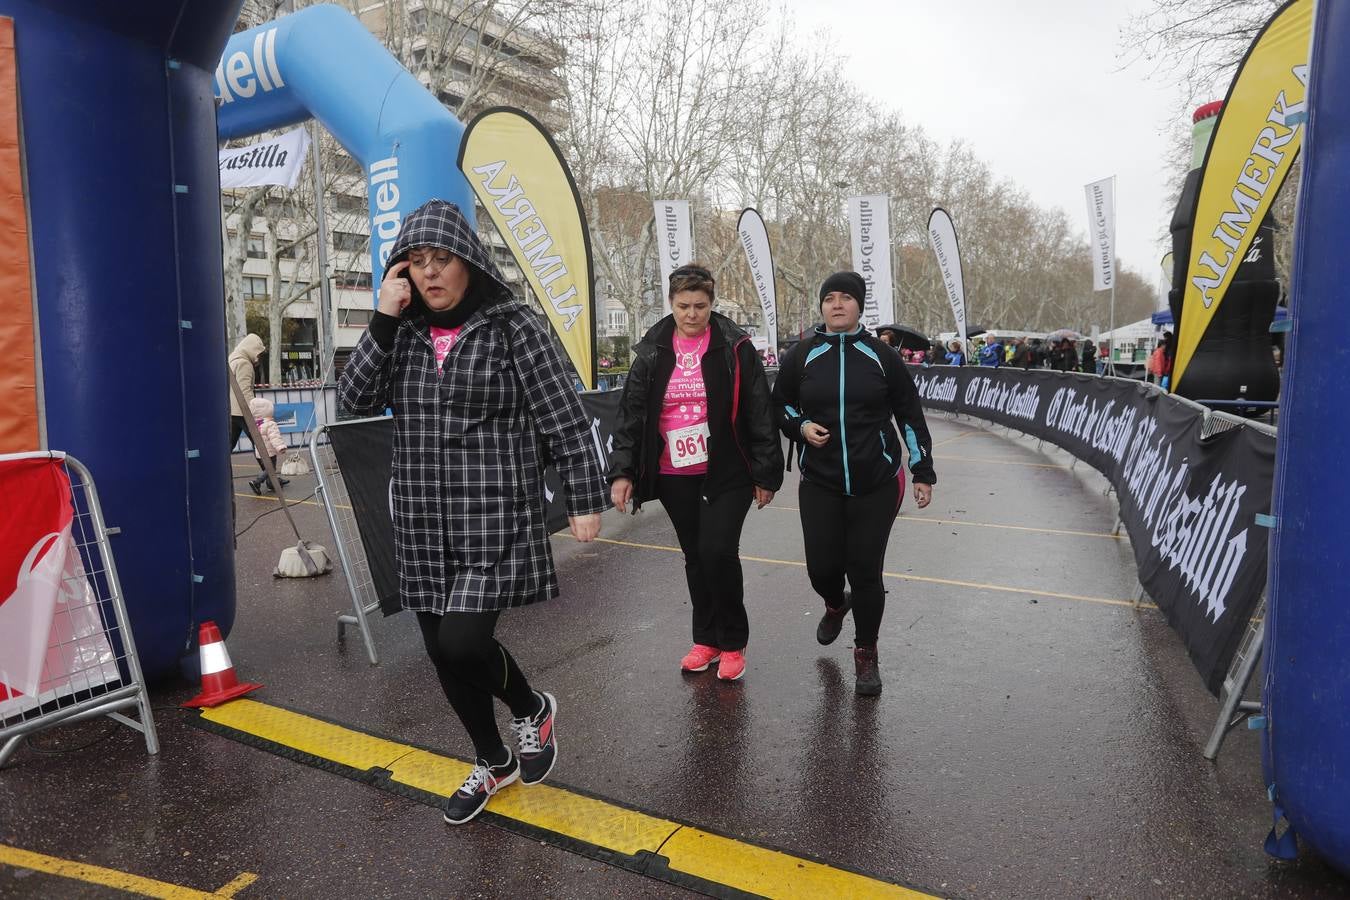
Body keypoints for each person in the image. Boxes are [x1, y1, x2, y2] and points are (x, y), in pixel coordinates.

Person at [338, 198, 608, 826]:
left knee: (464, 642)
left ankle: (532, 708)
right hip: (422, 515)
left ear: (469, 262)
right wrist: (381, 318)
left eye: (442, 260)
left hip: (492, 512)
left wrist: (583, 497)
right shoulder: (400, 331)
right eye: (417, 262)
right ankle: (494, 759)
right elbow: (354, 399)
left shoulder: (514, 325)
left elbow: (562, 415)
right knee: (440, 650)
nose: (430, 273)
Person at [609, 263, 783, 682]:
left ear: (712, 303)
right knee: (695, 557)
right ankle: (705, 639)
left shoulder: (735, 346)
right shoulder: (652, 349)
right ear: (670, 304)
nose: (691, 314)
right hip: (674, 472)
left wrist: (766, 473)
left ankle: (733, 641)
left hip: (728, 469)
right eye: (683, 306)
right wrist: (623, 472)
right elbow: (632, 414)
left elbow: (760, 410)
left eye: (700, 306)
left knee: (718, 551)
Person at [772, 271, 937, 696]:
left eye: (846, 297)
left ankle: (866, 654)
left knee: (865, 571)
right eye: (830, 298)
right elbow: (780, 406)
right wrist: (802, 426)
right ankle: (833, 602)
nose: (837, 304)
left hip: (877, 481)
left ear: (859, 306)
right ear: (822, 307)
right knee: (822, 568)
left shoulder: (882, 356)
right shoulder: (802, 355)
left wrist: (922, 471)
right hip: (820, 480)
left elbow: (909, 415)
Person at [228, 333, 265, 450]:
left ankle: (220, 468)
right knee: (260, 444)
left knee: (227, 445)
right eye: (258, 353)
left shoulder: (232, 360)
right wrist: (254, 410)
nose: (258, 357)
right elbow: (245, 391)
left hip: (232, 410)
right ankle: (267, 467)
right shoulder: (244, 364)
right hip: (244, 411)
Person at [246, 396, 289, 494]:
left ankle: (271, 484)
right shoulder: (270, 424)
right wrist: (280, 447)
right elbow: (274, 437)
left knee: (268, 468)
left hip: (259, 452)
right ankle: (257, 482)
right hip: (269, 452)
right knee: (270, 468)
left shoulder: (256, 424)